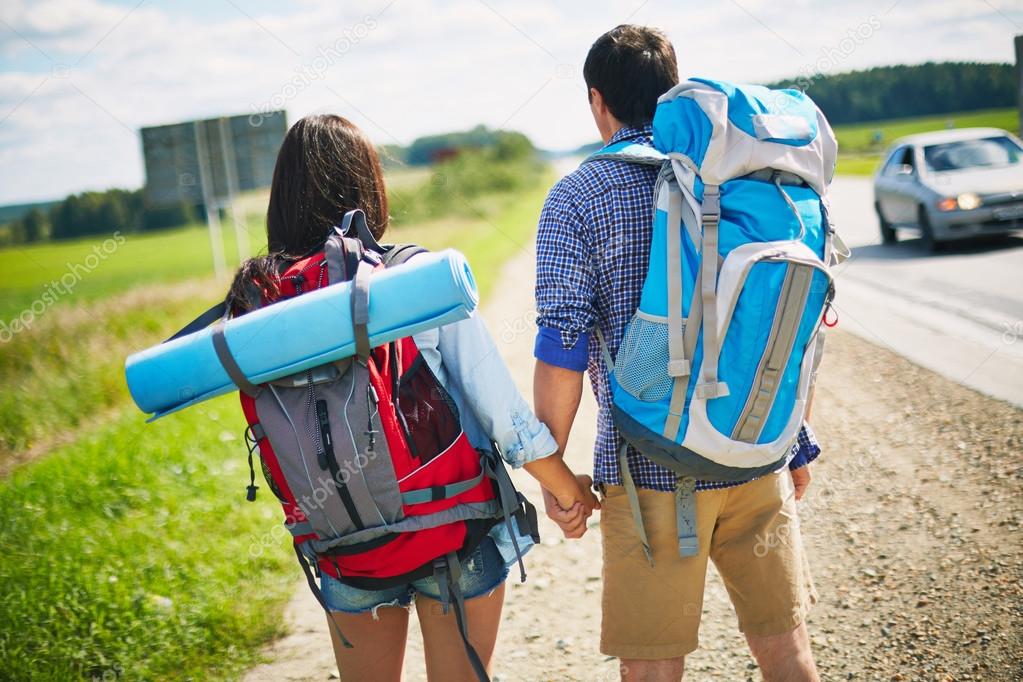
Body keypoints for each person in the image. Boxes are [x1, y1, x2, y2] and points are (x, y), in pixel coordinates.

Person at [229, 114, 597, 681]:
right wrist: (567, 490)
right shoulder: (417, 280)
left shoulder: (257, 304)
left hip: (347, 544)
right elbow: (505, 417)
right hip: (454, 527)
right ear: (369, 184)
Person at [531, 26, 822, 682]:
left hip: (650, 473)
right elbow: (769, 317)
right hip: (753, 453)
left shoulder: (577, 197)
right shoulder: (726, 178)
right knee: (786, 650)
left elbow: (563, 347)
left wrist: (556, 476)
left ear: (595, 100)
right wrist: (792, 437)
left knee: (653, 666)